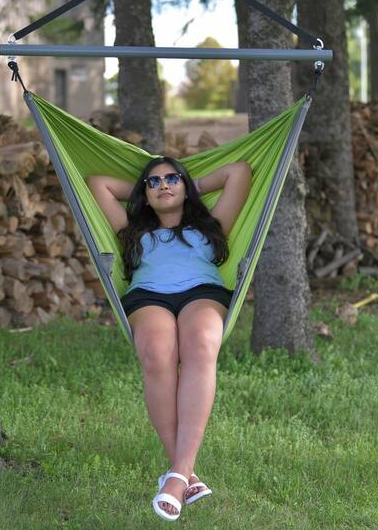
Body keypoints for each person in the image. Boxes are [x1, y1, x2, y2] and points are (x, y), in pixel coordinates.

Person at [86, 155, 251, 521]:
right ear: (143, 194)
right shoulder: (133, 231)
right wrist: (147, 192)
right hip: (149, 296)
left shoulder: (211, 226)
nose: (163, 185)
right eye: (154, 182)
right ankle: (184, 473)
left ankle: (176, 477)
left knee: (203, 343)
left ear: (186, 185)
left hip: (203, 293)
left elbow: (237, 172)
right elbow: (98, 181)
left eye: (172, 179)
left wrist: (189, 186)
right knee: (156, 351)